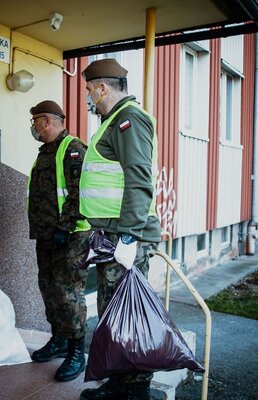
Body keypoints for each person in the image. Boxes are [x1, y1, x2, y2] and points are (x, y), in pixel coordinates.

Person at [78, 59, 162, 400]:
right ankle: (118, 383)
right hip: (111, 236)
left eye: (89, 90)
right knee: (114, 313)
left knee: (129, 315)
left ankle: (134, 390)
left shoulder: (130, 120)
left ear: (102, 88)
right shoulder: (113, 121)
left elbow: (140, 180)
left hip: (126, 238)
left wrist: (128, 237)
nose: (88, 97)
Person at [27, 100, 91, 382]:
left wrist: (63, 228)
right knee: (49, 289)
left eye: (35, 122)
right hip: (46, 235)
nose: (33, 128)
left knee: (68, 292)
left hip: (71, 236)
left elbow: (79, 192)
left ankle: (77, 350)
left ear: (46, 121)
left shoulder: (73, 149)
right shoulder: (44, 153)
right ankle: (59, 339)